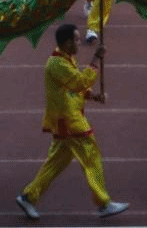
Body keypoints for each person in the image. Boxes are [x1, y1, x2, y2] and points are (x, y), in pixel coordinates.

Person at [15, 23, 129, 220]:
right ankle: (103, 202)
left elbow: (74, 86)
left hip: (66, 119)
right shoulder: (57, 64)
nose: (78, 42)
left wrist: (93, 96)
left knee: (55, 163)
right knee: (91, 156)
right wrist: (95, 60)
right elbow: (79, 82)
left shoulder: (65, 60)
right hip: (69, 120)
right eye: (76, 39)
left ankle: (28, 197)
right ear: (67, 43)